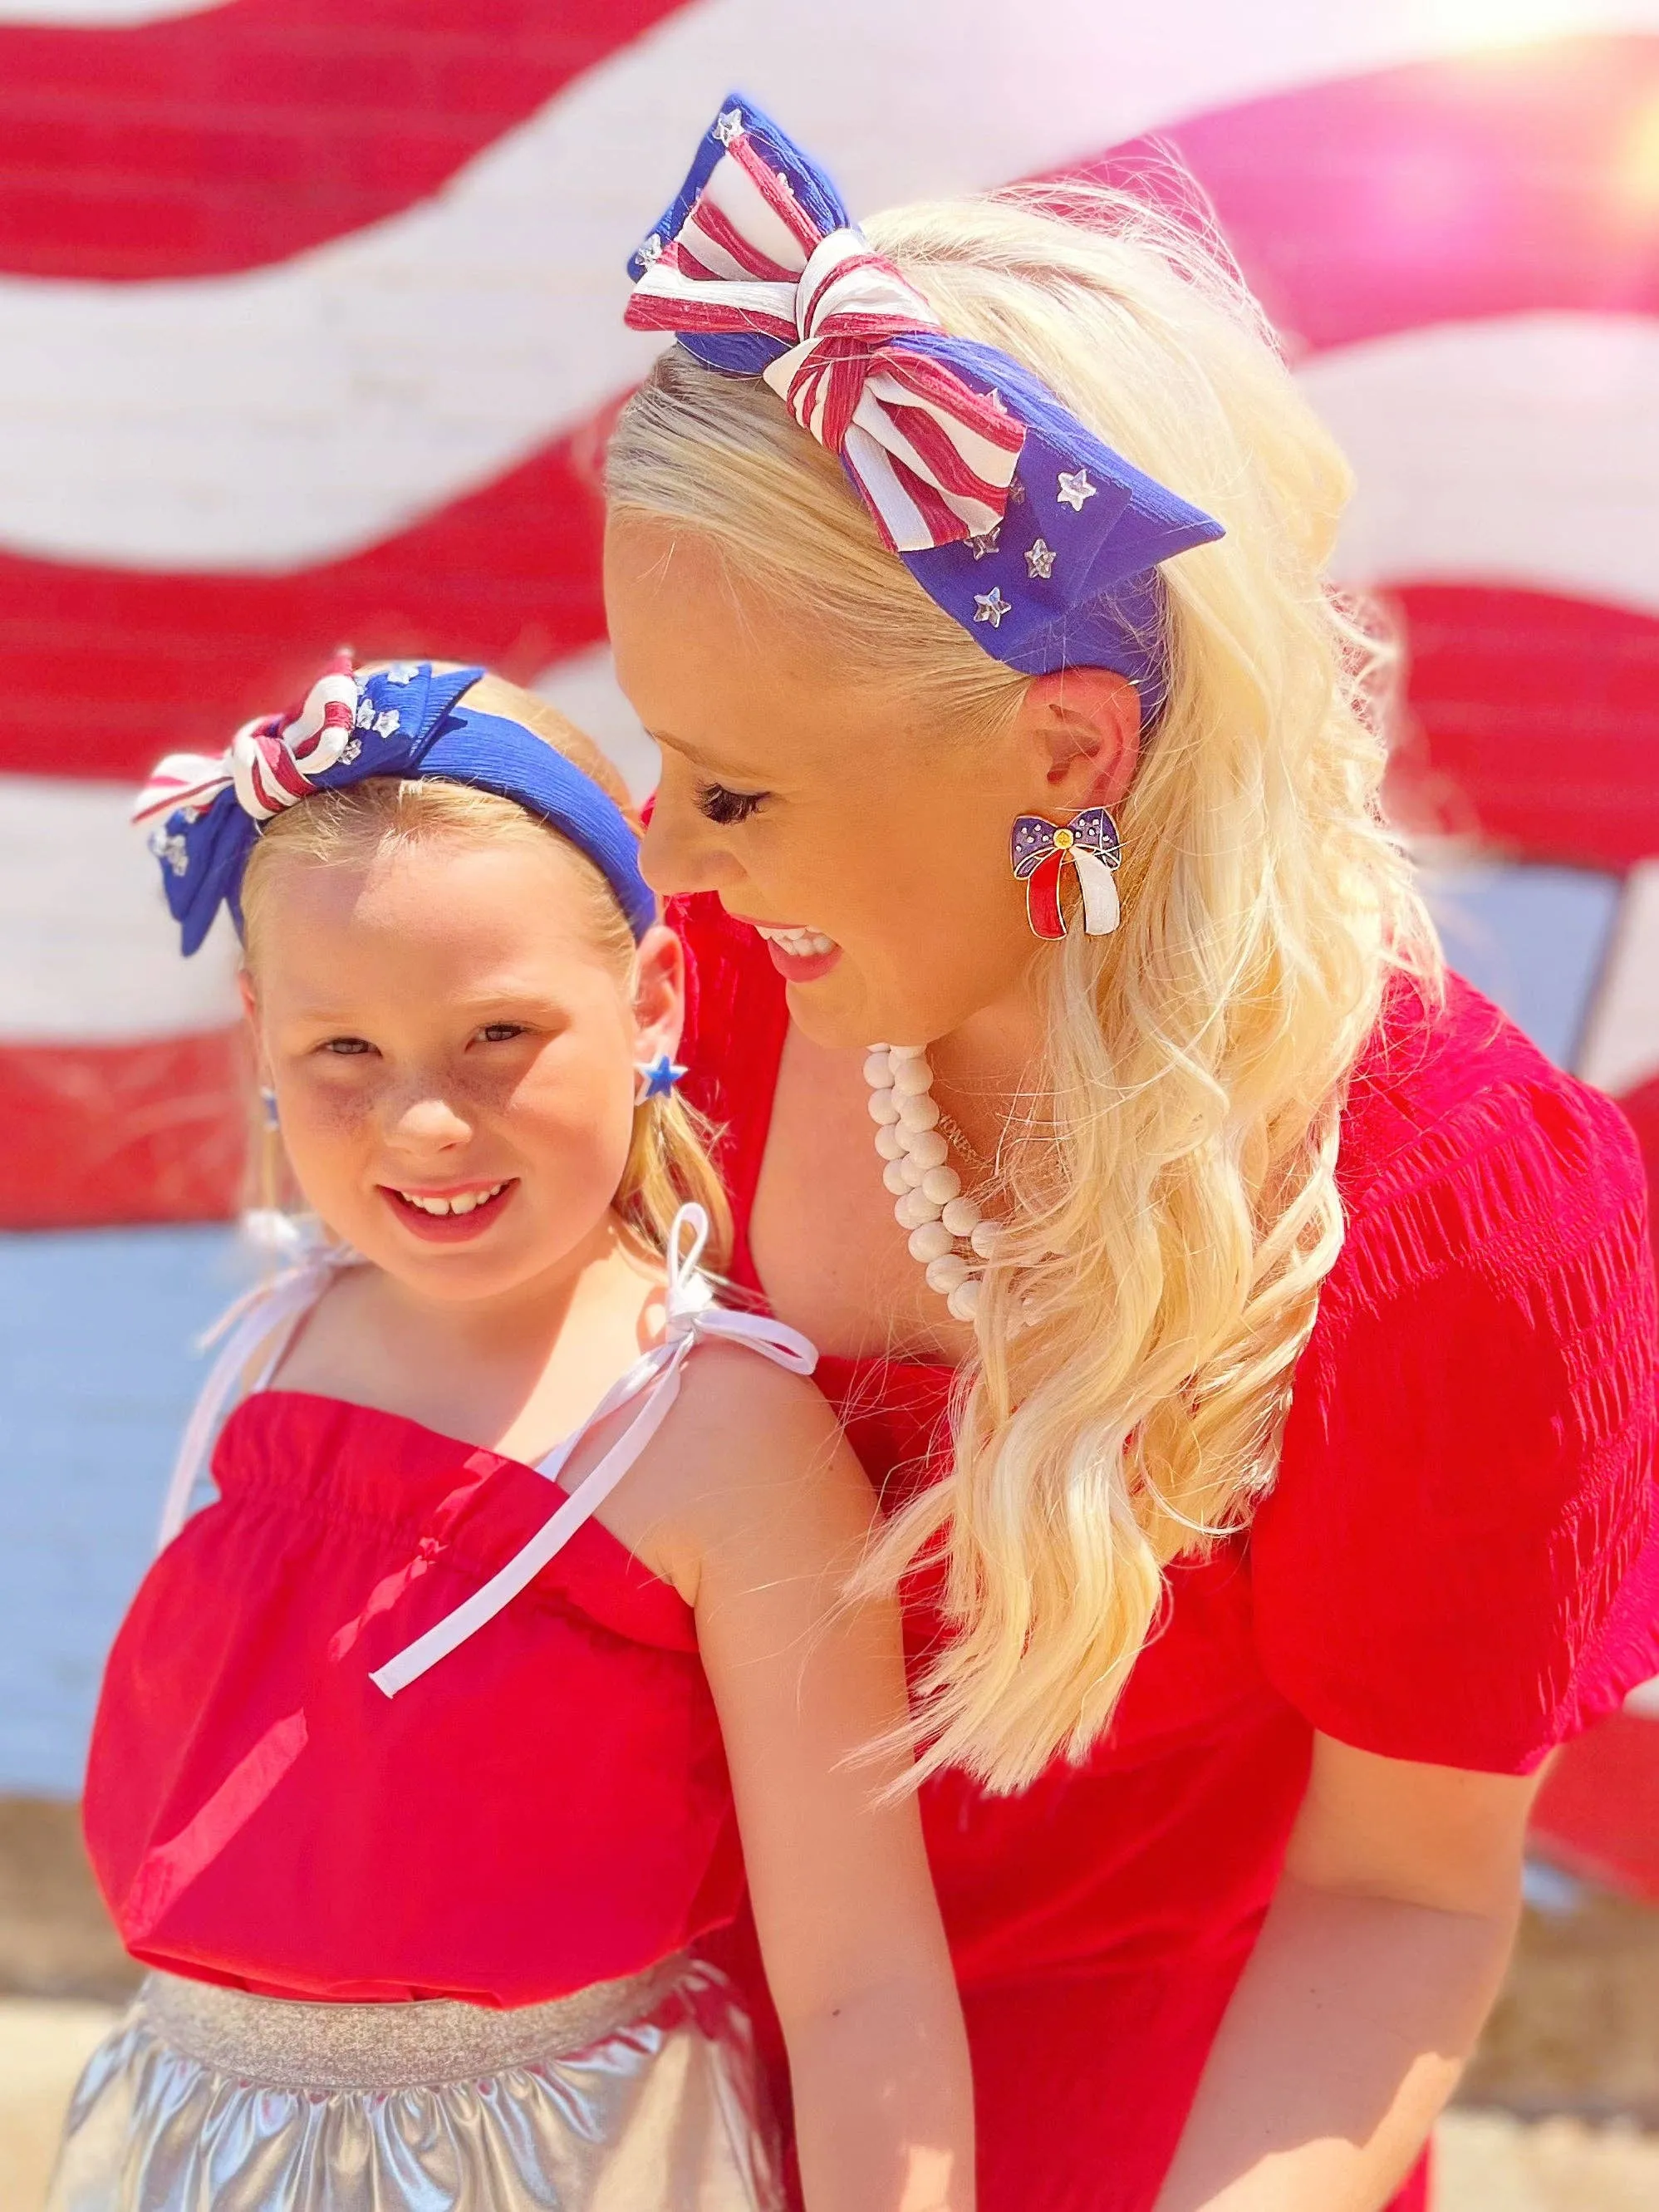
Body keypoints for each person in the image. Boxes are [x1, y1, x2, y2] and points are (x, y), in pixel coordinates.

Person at [601, 96, 1659, 2212]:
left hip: (1140, 2138)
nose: (660, 846)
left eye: (735, 786)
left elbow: (1401, 1892)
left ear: (1063, 749)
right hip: (642, 2082)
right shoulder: (693, 994)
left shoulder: (1445, 1208)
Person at [50, 660, 974, 2212]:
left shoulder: (717, 1435)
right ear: (263, 1030)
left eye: (499, 1032)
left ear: (655, 1000)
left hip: (560, 2164)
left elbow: (860, 1982)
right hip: (198, 2145)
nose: (425, 1123)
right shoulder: (283, 1336)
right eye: (345, 1051)